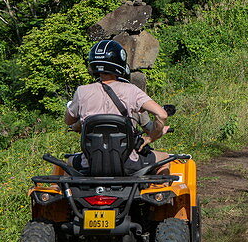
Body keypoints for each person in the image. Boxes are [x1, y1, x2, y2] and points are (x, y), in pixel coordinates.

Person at [65, 39, 171, 175]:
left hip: (90, 163)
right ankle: (160, 193)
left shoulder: (81, 91)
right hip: (128, 162)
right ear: (120, 62)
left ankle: (65, 193)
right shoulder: (132, 90)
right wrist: (149, 139)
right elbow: (162, 114)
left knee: (67, 164)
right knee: (165, 158)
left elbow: (68, 121)